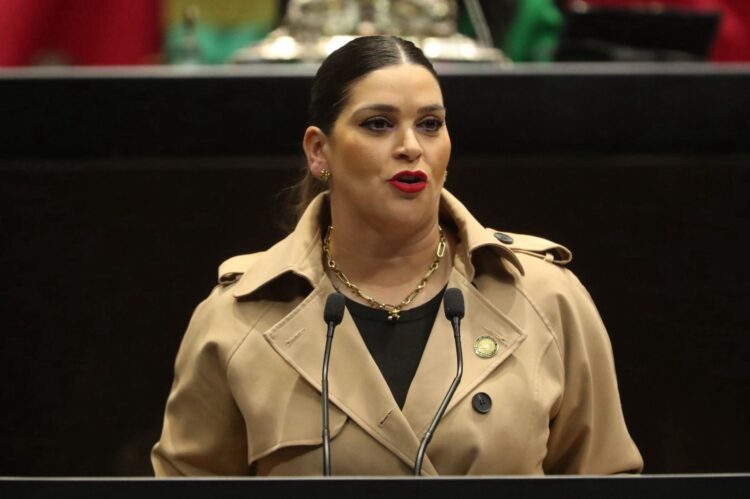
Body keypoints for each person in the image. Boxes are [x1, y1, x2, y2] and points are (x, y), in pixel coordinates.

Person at [151, 35, 643, 476]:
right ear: (319, 151)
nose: (411, 147)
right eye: (379, 124)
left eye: (430, 124)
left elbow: (605, 477)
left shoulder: (546, 297)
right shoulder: (236, 319)